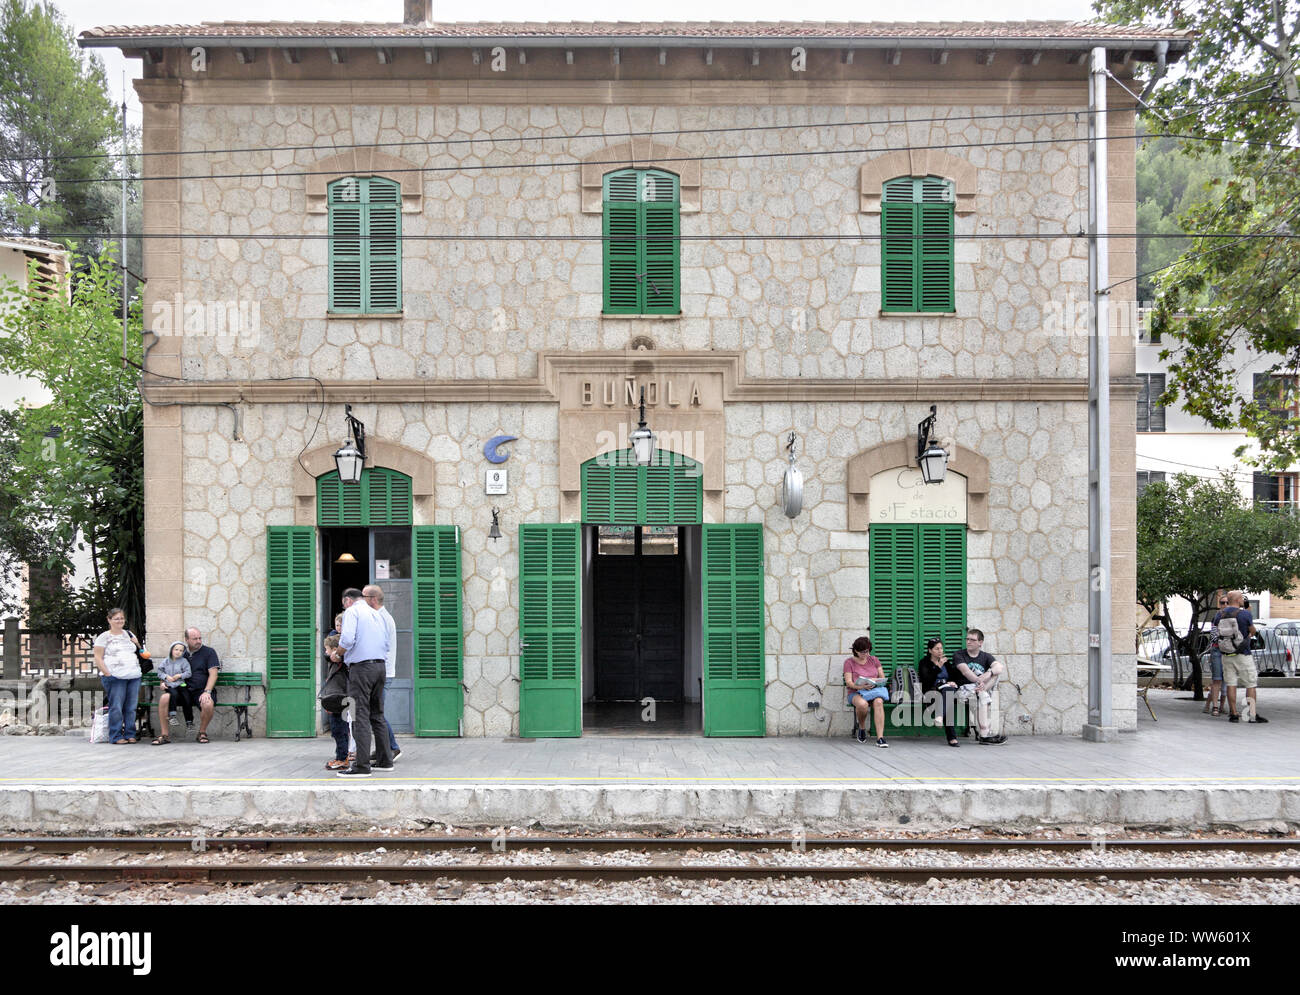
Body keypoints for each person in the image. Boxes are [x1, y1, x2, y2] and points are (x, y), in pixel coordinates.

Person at [336, 587, 393, 776]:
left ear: (348, 601)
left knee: (358, 714)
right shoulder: (376, 614)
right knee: (377, 714)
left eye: (344, 604)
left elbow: (347, 639)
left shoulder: (353, 612)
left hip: (362, 668)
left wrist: (338, 653)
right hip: (379, 666)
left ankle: (361, 766)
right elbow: (386, 644)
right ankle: (385, 761)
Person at [1214, 590, 1268, 724]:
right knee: (1250, 684)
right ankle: (1252, 714)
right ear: (1238, 600)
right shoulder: (1244, 614)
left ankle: (1233, 714)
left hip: (1226, 654)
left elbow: (1217, 629)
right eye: (1242, 598)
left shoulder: (1219, 614)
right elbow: (1253, 631)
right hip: (1243, 654)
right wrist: (1248, 613)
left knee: (1231, 683)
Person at [92, 607, 142, 745]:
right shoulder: (103, 637)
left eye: (122, 618)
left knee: (131, 707)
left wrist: (136, 642)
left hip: (133, 675)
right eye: (116, 619)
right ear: (109, 620)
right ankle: (115, 735)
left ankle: (130, 733)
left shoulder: (128, 633)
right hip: (115, 677)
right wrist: (108, 674)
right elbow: (98, 657)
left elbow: (139, 650)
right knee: (117, 707)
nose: (120, 621)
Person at [364, 584, 401, 762]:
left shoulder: (381, 619)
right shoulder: (381, 617)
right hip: (383, 672)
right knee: (375, 712)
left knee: (376, 713)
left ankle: (392, 747)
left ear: (373, 599)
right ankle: (383, 747)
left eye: (364, 597)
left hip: (382, 672)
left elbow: (379, 646)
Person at [949, 628, 1007, 744]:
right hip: (962, 690)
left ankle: (984, 735)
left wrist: (987, 674)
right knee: (983, 695)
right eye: (967, 639)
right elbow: (966, 672)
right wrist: (979, 681)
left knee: (995, 674)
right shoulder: (959, 654)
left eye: (972, 640)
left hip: (979, 689)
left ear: (980, 642)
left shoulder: (986, 656)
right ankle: (984, 735)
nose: (968, 642)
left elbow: (999, 667)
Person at [842, 635, 889, 747]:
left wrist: (874, 681)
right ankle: (862, 727)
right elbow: (849, 682)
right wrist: (861, 687)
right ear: (856, 651)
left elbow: (882, 677)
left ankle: (880, 738)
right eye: (862, 652)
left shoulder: (874, 660)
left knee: (878, 702)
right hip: (856, 692)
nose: (866, 654)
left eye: (867, 651)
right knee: (862, 704)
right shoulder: (849, 662)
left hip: (874, 690)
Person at [916, 637, 962, 747]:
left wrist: (953, 682)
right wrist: (938, 666)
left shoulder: (946, 662)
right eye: (937, 649)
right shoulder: (924, 663)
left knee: (948, 692)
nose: (940, 651)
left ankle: (939, 717)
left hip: (947, 690)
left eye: (941, 648)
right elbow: (926, 681)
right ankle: (952, 738)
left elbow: (955, 676)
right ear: (930, 650)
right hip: (932, 692)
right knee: (947, 699)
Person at [183, 627, 221, 743]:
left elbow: (213, 674)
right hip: (183, 691)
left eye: (200, 638)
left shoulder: (209, 652)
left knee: (208, 703)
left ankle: (202, 732)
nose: (198, 641)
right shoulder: (180, 652)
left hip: (201, 690)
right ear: (186, 640)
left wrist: (207, 691)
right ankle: (164, 735)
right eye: (195, 639)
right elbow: (168, 669)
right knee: (165, 698)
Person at [152, 640, 191, 745]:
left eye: (181, 650)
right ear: (171, 650)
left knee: (187, 697)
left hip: (180, 684)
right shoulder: (166, 661)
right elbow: (160, 672)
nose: (178, 652)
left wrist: (180, 676)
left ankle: (189, 721)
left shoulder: (184, 661)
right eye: (176, 649)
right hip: (169, 684)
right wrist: (166, 677)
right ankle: (172, 715)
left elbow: (188, 672)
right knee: (173, 694)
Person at [1204, 593, 1227, 716]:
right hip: (1217, 650)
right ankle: (1215, 706)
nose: (1224, 605)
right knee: (1217, 679)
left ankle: (1221, 706)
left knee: (1226, 681)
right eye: (1222, 603)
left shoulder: (1234, 617)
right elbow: (1214, 637)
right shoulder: (1217, 617)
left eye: (1227, 602)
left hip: (1229, 653)